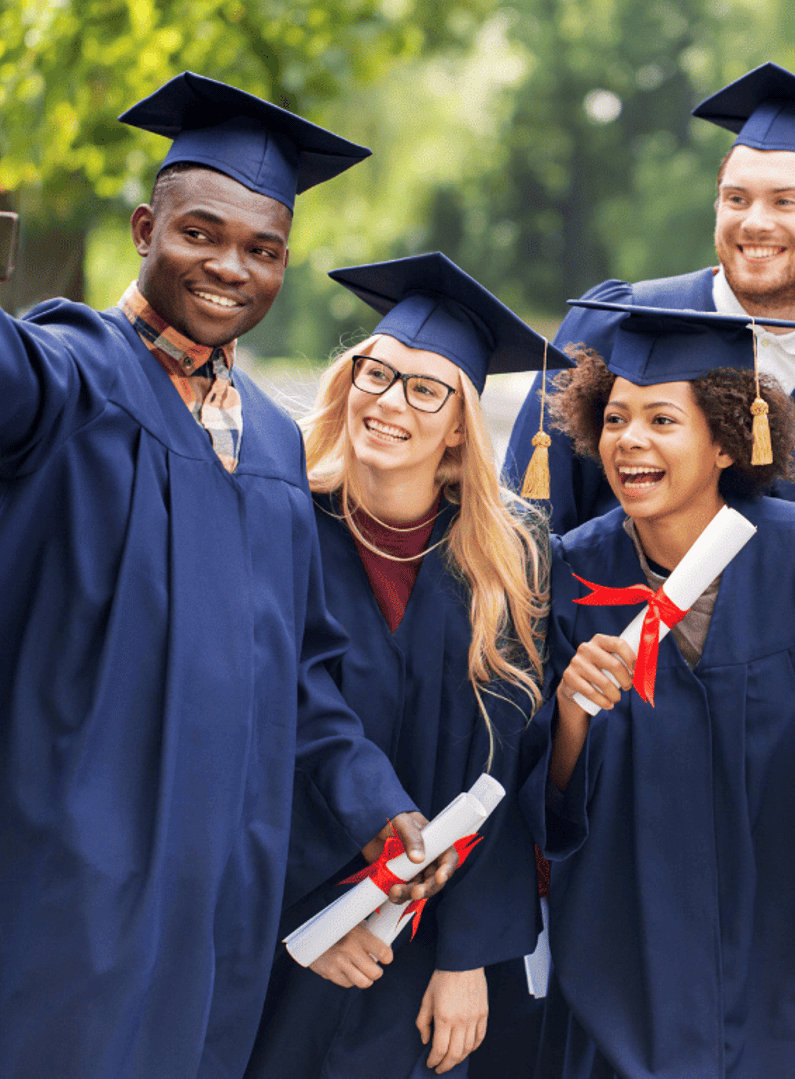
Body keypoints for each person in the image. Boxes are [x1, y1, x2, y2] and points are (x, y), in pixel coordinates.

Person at [0, 74, 447, 1079]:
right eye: (200, 234)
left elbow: (303, 668)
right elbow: (4, 372)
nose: (229, 267)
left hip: (209, 875)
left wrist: (373, 796)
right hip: (74, 852)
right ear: (144, 228)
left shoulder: (268, 438)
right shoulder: (83, 368)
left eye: (261, 250)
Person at [520, 302, 795, 1079]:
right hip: (626, 958)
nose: (630, 441)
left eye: (660, 419)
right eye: (614, 419)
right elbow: (544, 801)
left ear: (725, 439)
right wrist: (572, 715)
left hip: (783, 950)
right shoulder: (569, 575)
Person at [244, 255, 557, 1078]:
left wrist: (467, 955)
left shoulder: (506, 562)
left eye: (426, 389)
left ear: (461, 424)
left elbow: (508, 772)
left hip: (433, 956)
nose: (389, 402)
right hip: (290, 932)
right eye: (376, 374)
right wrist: (311, 916)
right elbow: (248, 743)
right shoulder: (283, 527)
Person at [503, 63, 795, 528]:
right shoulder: (620, 324)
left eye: (785, 201)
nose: (755, 222)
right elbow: (530, 521)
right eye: (737, 199)